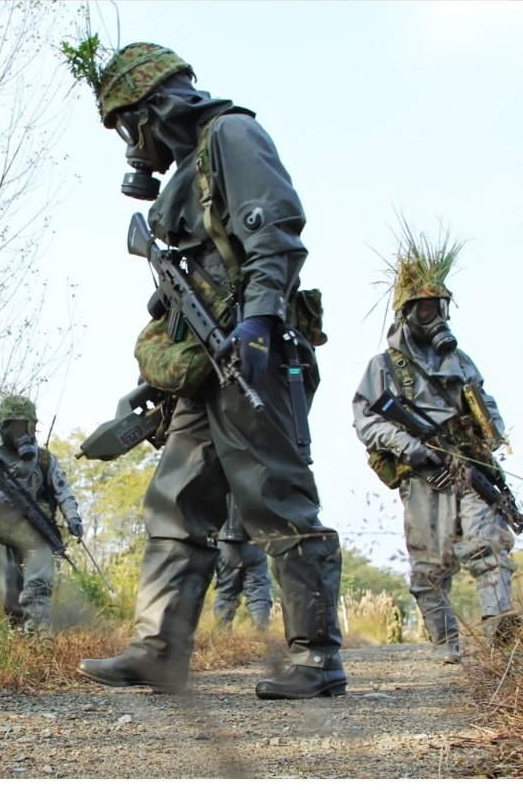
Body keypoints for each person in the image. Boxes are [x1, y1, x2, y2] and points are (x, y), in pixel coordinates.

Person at [66, 41, 346, 699]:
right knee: (176, 499)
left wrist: (259, 320)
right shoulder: (188, 170)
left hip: (251, 354)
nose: (132, 147)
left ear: (153, 109)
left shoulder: (232, 136)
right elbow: (187, 285)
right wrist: (160, 372)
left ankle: (317, 658)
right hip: (202, 362)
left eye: (128, 127)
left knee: (275, 496)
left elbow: (275, 233)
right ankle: (159, 650)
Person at [351, 229, 518, 665]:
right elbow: (367, 420)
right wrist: (411, 447)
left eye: (438, 308)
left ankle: (501, 637)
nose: (433, 317)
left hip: (469, 467)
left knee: (489, 547)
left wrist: (489, 435)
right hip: (425, 474)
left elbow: (488, 409)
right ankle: (446, 646)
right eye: (424, 309)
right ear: (407, 314)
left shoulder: (461, 362)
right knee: (430, 566)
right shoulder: (384, 366)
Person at [0, 395, 84, 634]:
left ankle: (39, 636)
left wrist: (72, 517)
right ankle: (19, 633)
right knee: (8, 592)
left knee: (39, 586)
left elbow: (63, 491)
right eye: (18, 426)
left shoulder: (44, 460)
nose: (23, 433)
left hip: (38, 531)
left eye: (28, 426)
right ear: (5, 427)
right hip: (5, 532)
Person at [212, 498, 273, 632]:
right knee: (258, 591)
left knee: (226, 593)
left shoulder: (218, 484)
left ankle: (221, 636)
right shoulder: (258, 482)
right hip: (255, 539)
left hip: (225, 541)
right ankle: (261, 637)